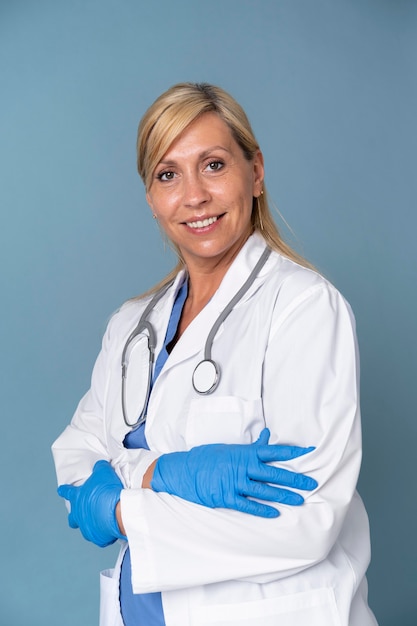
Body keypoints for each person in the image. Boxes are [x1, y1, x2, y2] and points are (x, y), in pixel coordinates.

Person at [52, 82, 378, 626]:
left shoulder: (303, 308)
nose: (194, 195)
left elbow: (301, 520)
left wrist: (121, 498)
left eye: (214, 165)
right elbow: (75, 458)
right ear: (151, 198)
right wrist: (167, 474)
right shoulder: (132, 326)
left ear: (256, 173)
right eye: (168, 174)